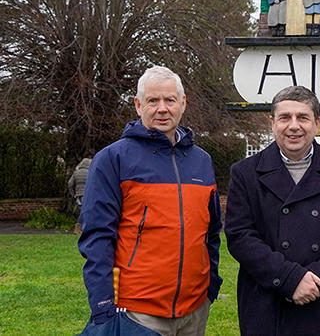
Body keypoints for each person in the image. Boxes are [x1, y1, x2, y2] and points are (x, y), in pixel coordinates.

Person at [78, 66, 222, 336]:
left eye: (169, 100)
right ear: (137, 105)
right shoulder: (113, 159)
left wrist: (210, 285)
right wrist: (102, 302)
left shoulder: (201, 161)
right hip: (138, 311)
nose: (162, 108)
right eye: (152, 101)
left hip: (194, 309)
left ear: (182, 103)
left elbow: (211, 232)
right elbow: (97, 237)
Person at [225, 85, 320, 336]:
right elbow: (240, 236)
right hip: (266, 305)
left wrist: (318, 277)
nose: (294, 126)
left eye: (302, 117)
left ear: (316, 123)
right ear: (272, 122)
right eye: (285, 117)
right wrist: (290, 279)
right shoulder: (245, 173)